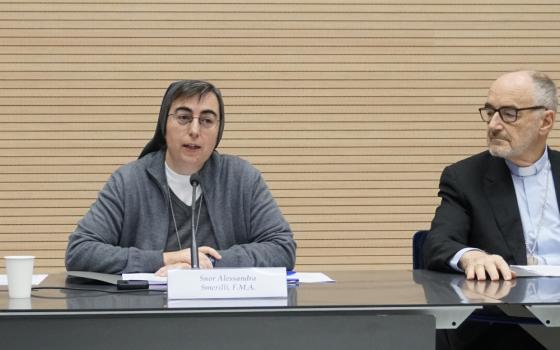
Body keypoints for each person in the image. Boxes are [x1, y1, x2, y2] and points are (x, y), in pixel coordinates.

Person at [65, 80, 296, 275]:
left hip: (224, 315)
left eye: (206, 120)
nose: (195, 130)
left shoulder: (242, 179)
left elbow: (282, 248)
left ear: (219, 130)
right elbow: (80, 251)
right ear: (164, 125)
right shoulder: (129, 182)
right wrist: (165, 259)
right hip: (147, 315)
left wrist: (209, 264)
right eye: (184, 117)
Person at [423, 70, 556, 349]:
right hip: (503, 326)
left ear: (545, 121)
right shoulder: (465, 177)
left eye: (509, 113)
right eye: (490, 111)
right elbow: (439, 243)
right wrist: (471, 256)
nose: (494, 125)